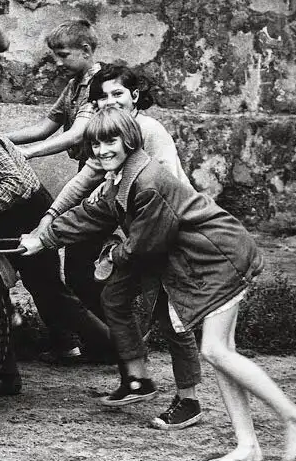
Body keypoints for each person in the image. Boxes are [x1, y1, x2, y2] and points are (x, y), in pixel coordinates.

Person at [19, 107, 296, 461]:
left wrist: (111, 256)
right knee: (222, 355)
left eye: (110, 141)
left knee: (216, 351)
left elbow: (145, 245)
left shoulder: (148, 182)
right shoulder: (121, 179)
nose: (102, 150)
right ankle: (248, 446)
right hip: (209, 258)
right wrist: (43, 238)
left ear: (130, 140)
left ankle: (294, 417)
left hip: (219, 258)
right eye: (96, 144)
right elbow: (93, 215)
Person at [40, 64, 204, 430]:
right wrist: (49, 219)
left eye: (118, 94)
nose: (110, 101)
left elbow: (159, 186)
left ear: (135, 96)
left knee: (173, 319)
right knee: (114, 296)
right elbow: (85, 183)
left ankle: (189, 400)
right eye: (102, 97)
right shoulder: (107, 135)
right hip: (142, 229)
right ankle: (137, 379)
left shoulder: (148, 131)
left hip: (174, 232)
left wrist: (114, 215)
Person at [0, 128, 102, 395]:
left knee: (50, 292)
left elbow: (16, 184)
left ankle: (115, 347)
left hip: (27, 214)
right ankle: (7, 374)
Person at [5, 19, 112, 358]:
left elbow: (77, 134)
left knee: (82, 267)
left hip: (106, 176)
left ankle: (112, 344)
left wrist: (28, 154)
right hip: (89, 171)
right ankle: (99, 342)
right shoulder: (75, 84)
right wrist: (0, 139)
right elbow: (45, 127)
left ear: (86, 50)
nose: (57, 62)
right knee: (80, 266)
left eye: (63, 55)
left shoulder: (101, 85)